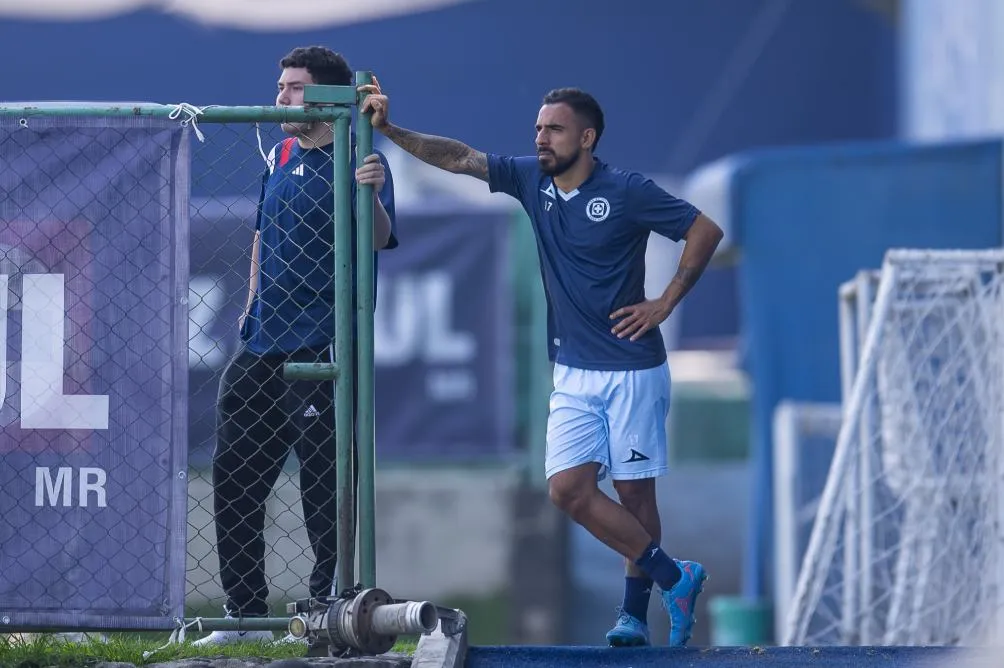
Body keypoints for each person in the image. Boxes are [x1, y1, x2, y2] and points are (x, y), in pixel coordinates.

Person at [358, 78, 723, 647]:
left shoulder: (626, 190)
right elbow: (458, 157)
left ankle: (632, 615)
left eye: (553, 129)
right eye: (537, 129)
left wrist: (666, 301)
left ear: (587, 136)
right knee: (568, 491)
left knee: (635, 498)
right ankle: (675, 578)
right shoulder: (531, 180)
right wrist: (390, 130)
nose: (541, 139)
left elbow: (704, 229)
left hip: (633, 369)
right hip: (573, 372)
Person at [193, 46, 398, 646]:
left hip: (323, 344)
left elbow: (382, 241)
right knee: (233, 474)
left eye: (293, 87)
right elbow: (260, 234)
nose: (280, 96)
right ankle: (245, 617)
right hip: (263, 341)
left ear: (328, 98)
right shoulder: (280, 153)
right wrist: (252, 306)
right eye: (279, 85)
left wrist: (373, 193)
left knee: (321, 486)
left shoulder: (358, 156)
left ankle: (320, 617)